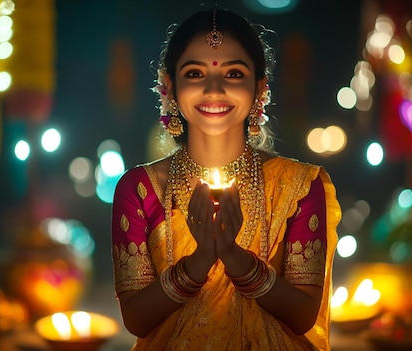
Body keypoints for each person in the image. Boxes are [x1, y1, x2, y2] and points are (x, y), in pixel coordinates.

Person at [111, 8, 341, 350]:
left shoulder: (300, 187)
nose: (214, 89)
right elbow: (136, 319)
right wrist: (200, 261)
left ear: (259, 87)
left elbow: (303, 314)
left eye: (234, 73)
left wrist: (235, 258)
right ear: (170, 87)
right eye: (195, 73)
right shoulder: (140, 189)